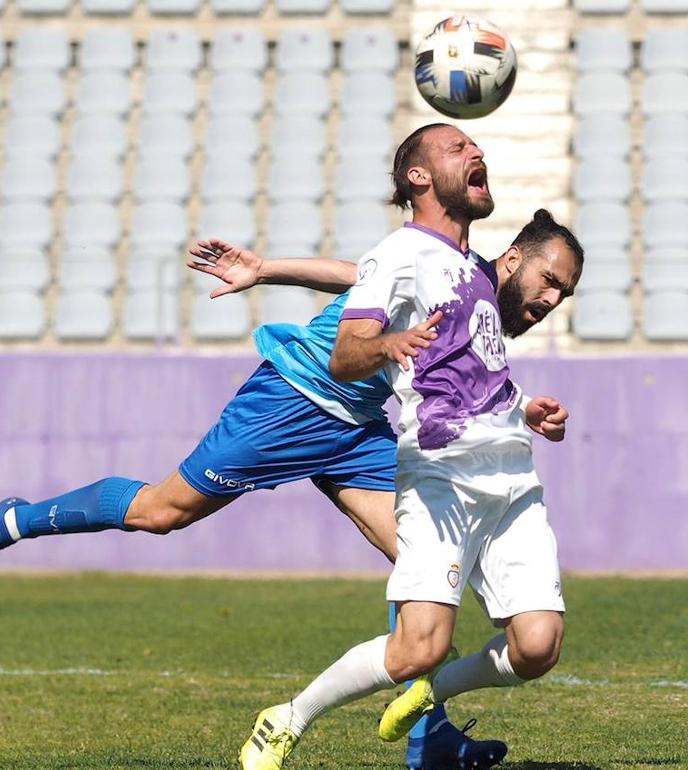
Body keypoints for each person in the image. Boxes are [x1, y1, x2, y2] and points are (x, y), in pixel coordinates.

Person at [238, 123, 576, 770]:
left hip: (512, 481)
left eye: (565, 290)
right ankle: (286, 719)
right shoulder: (398, 254)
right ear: (419, 176)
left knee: (538, 647)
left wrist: (526, 406)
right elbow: (345, 357)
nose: (554, 297)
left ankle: (429, 694)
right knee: (418, 645)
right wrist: (388, 343)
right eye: (459, 148)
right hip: (442, 478)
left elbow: (477, 374)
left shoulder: (473, 274)